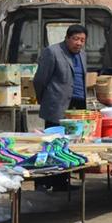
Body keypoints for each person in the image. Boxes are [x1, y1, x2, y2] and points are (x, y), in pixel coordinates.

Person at [32, 23, 89, 192]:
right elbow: (39, 80)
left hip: (77, 106)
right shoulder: (53, 52)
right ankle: (48, 181)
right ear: (67, 38)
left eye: (82, 40)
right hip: (57, 106)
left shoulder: (82, 55)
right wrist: (47, 100)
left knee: (70, 145)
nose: (79, 43)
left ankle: (63, 181)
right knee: (54, 146)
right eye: (76, 39)